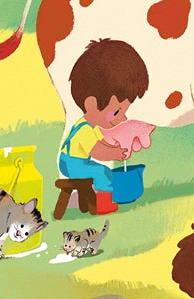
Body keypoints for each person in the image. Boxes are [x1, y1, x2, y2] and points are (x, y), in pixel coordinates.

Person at [58, 38, 150, 214]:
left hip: (74, 161)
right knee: (103, 173)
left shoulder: (89, 126)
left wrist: (114, 148)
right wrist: (114, 153)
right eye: (116, 112)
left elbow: (101, 144)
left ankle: (92, 200)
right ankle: (104, 204)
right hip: (71, 164)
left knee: (98, 171)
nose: (122, 118)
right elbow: (97, 151)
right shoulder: (85, 130)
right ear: (91, 104)